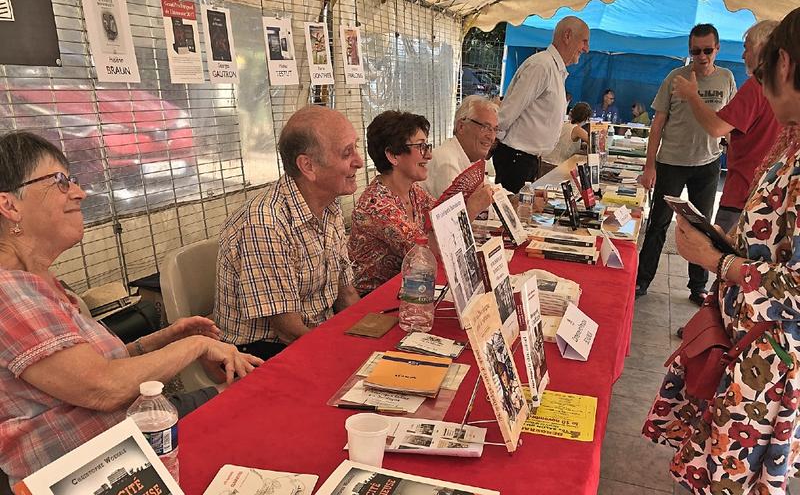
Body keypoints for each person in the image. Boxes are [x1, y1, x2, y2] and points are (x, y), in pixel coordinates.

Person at [0, 131, 262, 487]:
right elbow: (101, 387)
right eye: (60, 182)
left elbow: (91, 367)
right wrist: (194, 346)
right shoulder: (9, 292)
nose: (79, 192)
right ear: (9, 205)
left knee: (257, 393)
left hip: (131, 436)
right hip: (88, 469)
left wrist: (159, 340)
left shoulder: (42, 281)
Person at [643, 7, 800, 494]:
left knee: (729, 481)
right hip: (745, 351)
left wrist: (718, 261)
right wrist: (731, 245)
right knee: (712, 469)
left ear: (783, 65)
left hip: (766, 369)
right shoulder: (792, 140)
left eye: (758, 68)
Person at [215, 106, 362, 360]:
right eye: (347, 153)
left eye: (356, 147)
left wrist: (368, 338)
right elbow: (288, 331)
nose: (359, 161)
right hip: (260, 354)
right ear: (308, 166)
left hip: (317, 333)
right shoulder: (265, 224)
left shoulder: (329, 204)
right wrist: (346, 356)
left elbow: (346, 292)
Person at [636, 24, 737, 305]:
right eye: (695, 51)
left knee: (701, 228)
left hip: (707, 164)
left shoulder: (727, 78)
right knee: (658, 223)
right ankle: (642, 280)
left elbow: (729, 125)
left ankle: (697, 287)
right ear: (689, 51)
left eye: (707, 50)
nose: (701, 56)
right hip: (671, 162)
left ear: (717, 49)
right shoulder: (675, 77)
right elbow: (657, 124)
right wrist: (649, 167)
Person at [348, 111, 493, 296]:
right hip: (376, 303)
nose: (429, 155)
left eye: (427, 146)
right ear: (393, 155)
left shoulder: (413, 191)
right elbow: (428, 253)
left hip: (408, 288)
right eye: (421, 147)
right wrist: (471, 209)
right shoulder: (377, 206)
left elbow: (441, 222)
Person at [672, 20, 781, 233]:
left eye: (746, 48)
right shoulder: (782, 87)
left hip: (744, 192)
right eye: (695, 51)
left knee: (724, 259)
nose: (742, 56)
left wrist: (692, 96)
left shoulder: (757, 85)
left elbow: (716, 127)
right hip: (767, 193)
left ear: (762, 49)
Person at [494, 16, 590, 193]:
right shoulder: (541, 66)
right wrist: (496, 144)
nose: (586, 48)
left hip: (526, 160)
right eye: (584, 41)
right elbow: (508, 113)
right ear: (567, 36)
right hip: (516, 159)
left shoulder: (553, 69)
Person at [423, 95, 499, 199]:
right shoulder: (447, 163)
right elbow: (458, 214)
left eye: (495, 129)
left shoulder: (471, 157)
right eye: (485, 127)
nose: (491, 137)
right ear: (461, 127)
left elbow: (493, 192)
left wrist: (515, 198)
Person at [540, 101, 592, 176]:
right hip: (556, 167)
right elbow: (593, 142)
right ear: (586, 118)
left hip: (544, 163)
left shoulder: (565, 124)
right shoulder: (577, 129)